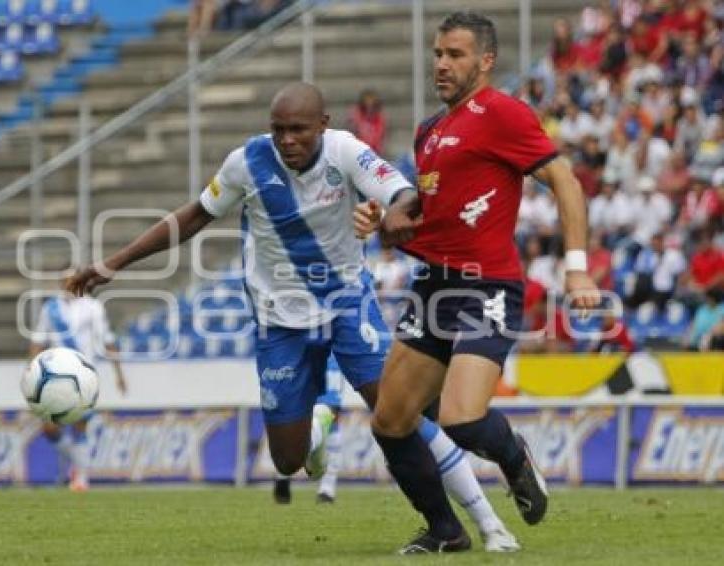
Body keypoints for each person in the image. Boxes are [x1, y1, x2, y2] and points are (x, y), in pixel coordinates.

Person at [67, 82, 519, 553]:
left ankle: (486, 525)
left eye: (298, 130)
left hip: (346, 303)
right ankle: (321, 420)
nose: (287, 140)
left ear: (323, 125)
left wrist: (396, 214)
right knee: (287, 461)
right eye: (278, 130)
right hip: (278, 321)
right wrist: (112, 265)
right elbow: (194, 216)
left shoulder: (345, 151)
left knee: (397, 411)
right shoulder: (247, 162)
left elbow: (403, 190)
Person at [354, 12, 600, 549]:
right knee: (390, 421)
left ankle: (513, 456)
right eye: (439, 53)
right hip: (432, 285)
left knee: (462, 418)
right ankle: (446, 531)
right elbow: (432, 208)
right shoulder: (430, 132)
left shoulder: (503, 113)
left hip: (486, 286)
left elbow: (564, 180)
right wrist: (388, 219)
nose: (442, 64)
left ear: (486, 61)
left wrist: (576, 264)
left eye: (456, 55)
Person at [29, 288, 128, 492]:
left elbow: (107, 339)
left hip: (84, 374)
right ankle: (77, 465)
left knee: (79, 425)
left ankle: (81, 479)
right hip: (56, 374)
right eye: (65, 281)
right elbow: (38, 341)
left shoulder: (92, 306)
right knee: (49, 428)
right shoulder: (51, 308)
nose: (69, 284)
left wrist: (119, 373)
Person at [273, 354, 344, 505]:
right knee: (293, 419)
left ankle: (326, 490)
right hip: (297, 355)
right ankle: (284, 474)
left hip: (329, 356)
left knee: (329, 415)